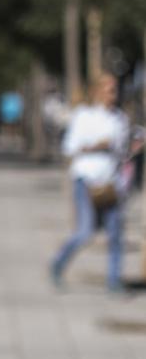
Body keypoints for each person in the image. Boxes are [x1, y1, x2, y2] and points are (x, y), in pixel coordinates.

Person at [50, 73, 138, 294]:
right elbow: (69, 148)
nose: (113, 94)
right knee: (85, 231)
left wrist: (132, 149)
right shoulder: (84, 116)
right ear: (97, 91)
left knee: (115, 233)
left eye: (115, 90)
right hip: (86, 179)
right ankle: (58, 263)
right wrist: (95, 146)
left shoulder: (120, 119)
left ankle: (114, 280)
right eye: (109, 89)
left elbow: (122, 153)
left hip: (111, 182)